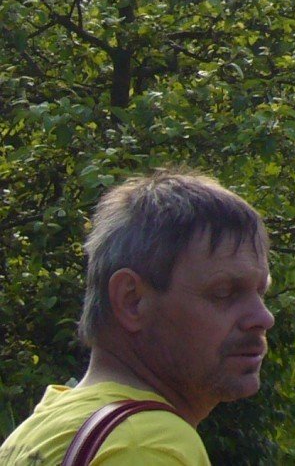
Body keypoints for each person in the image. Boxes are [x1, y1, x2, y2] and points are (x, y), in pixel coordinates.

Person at [0, 170, 273, 466]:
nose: (263, 317)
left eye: (262, 292)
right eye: (223, 293)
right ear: (132, 301)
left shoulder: (42, 430)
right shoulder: (146, 446)